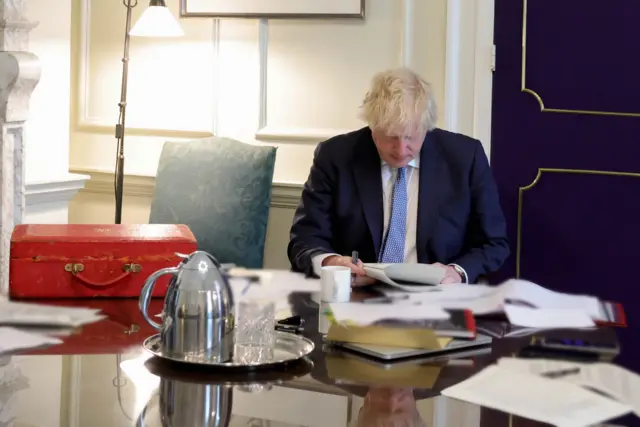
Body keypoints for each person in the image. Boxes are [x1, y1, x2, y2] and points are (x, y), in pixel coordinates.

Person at [288, 67, 509, 285]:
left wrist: (457, 272)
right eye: (390, 137)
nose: (402, 150)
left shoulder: (464, 157)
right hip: (357, 294)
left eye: (411, 137)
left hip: (437, 298)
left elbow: (493, 243)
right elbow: (305, 238)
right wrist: (332, 262)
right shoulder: (335, 156)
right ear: (372, 127)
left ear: (426, 127)